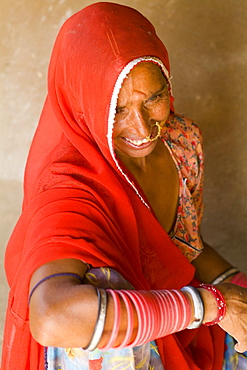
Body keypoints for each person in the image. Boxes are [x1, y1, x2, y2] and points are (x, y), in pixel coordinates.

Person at [1, 2, 247, 369]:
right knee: (96, 307)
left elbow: (184, 246)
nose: (143, 129)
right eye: (115, 110)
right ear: (83, 102)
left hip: (175, 316)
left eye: (155, 98)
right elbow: (53, 317)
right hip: (131, 341)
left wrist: (239, 291)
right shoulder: (68, 185)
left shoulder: (181, 142)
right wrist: (213, 304)